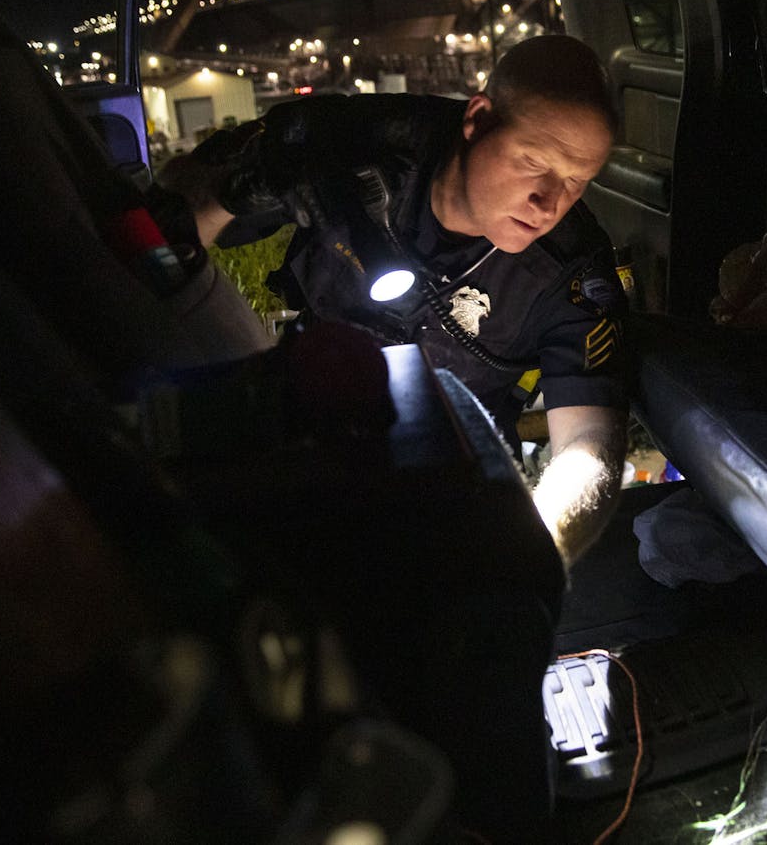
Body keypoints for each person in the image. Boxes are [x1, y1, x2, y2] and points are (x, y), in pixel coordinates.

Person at [160, 34, 629, 569]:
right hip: (303, 434)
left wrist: (532, 554)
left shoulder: (568, 267)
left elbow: (589, 444)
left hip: (457, 477)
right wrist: (236, 187)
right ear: (477, 119)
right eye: (532, 162)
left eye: (576, 182)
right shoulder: (357, 145)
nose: (549, 203)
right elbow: (169, 220)